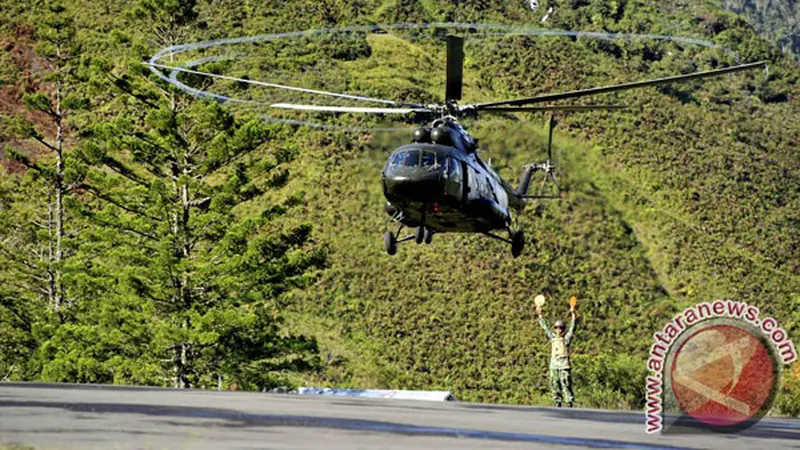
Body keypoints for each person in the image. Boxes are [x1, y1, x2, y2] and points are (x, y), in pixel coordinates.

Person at [536, 297, 577, 407]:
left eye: (560, 328)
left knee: (566, 383)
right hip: (554, 365)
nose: (558, 330)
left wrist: (573, 313)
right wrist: (540, 314)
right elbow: (544, 327)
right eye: (557, 328)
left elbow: (573, 327)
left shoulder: (566, 338)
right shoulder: (553, 337)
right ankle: (557, 401)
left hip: (564, 365)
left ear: (563, 329)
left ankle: (569, 401)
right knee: (554, 383)